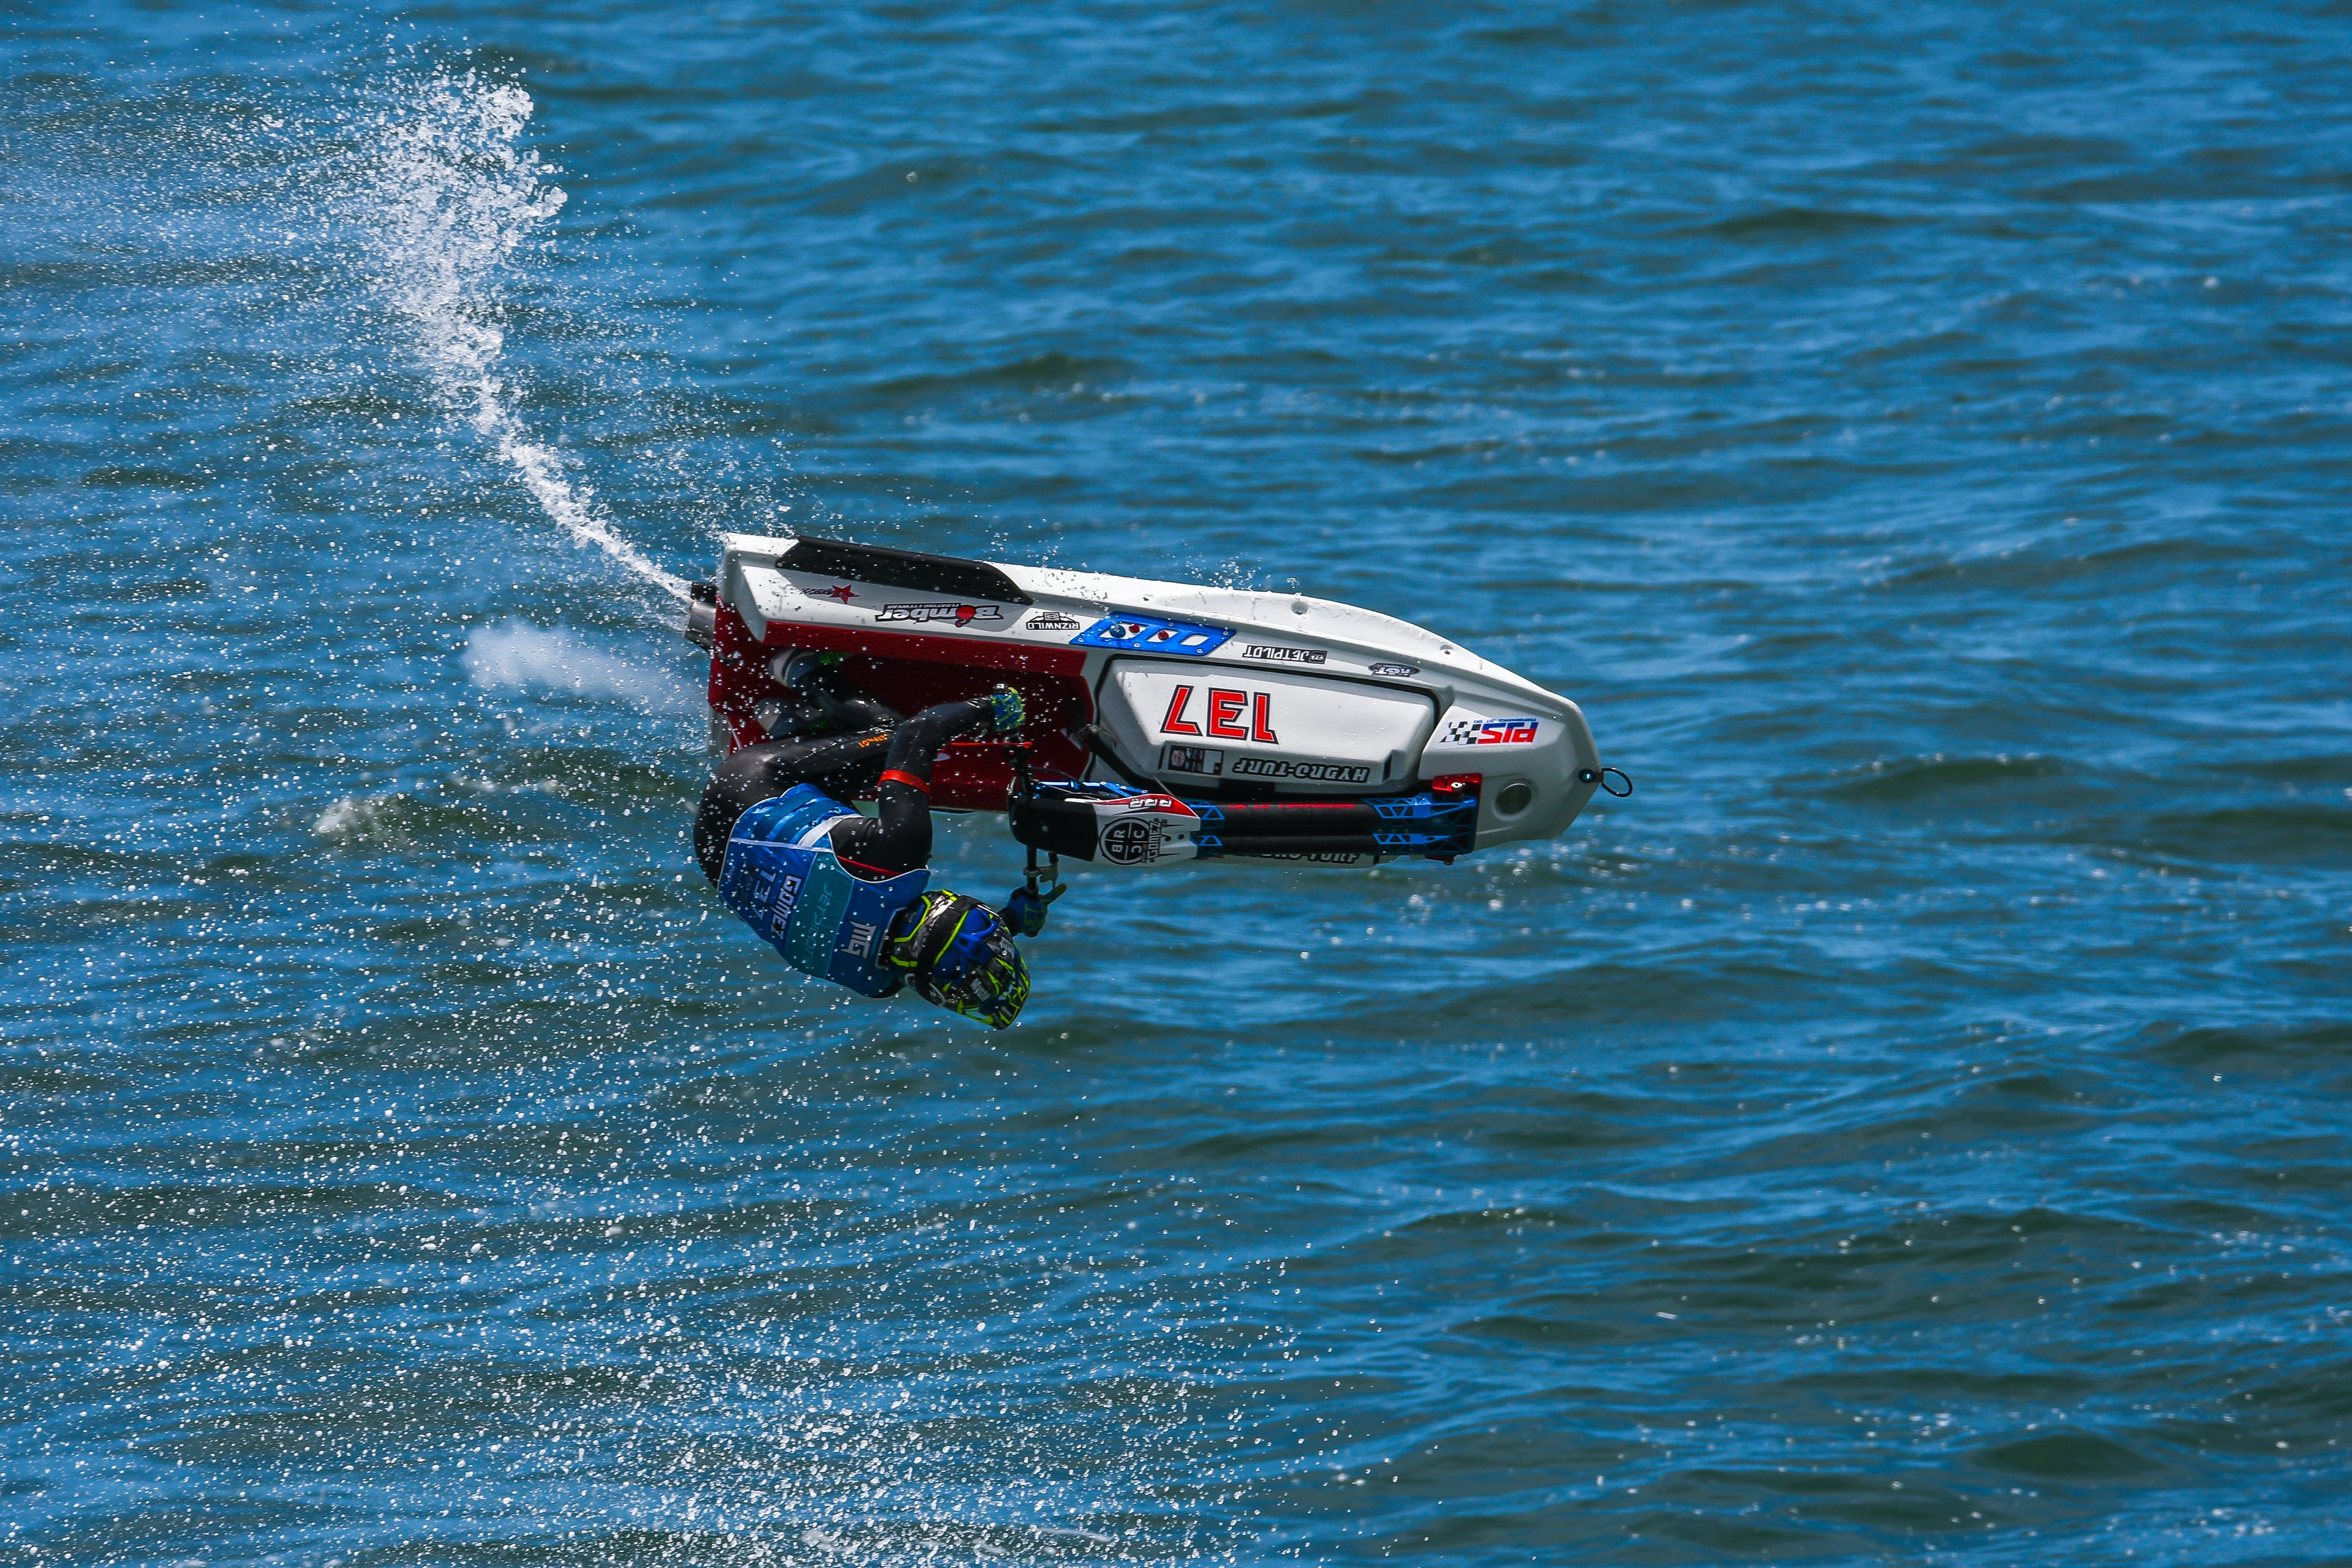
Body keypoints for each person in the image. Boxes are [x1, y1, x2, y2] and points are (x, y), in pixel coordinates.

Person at [693, 653, 1055, 1030]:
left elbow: (920, 733)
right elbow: (928, 947)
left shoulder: (900, 854)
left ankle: (800, 670)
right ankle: (792, 726)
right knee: (836, 843)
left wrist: (990, 708)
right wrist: (1010, 920)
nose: (999, 930)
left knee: (894, 735)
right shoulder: (876, 982)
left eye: (995, 933)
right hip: (717, 855)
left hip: (747, 784)